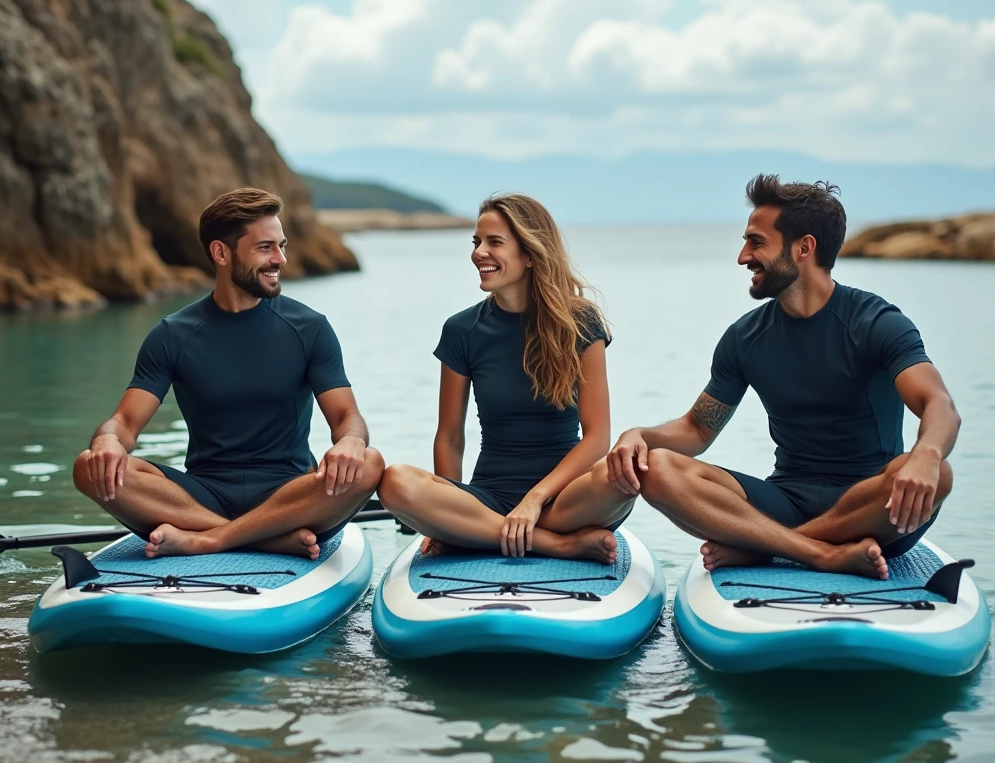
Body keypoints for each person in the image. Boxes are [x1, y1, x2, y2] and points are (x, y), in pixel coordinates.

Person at [605, 174, 961, 579]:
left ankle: (770, 549)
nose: (742, 257)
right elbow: (696, 430)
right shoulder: (745, 337)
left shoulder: (877, 322)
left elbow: (939, 405)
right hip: (785, 499)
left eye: (756, 242)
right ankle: (817, 552)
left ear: (804, 248)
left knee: (940, 475)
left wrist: (926, 457)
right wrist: (639, 436)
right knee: (658, 467)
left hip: (873, 506)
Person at [72, 187, 384, 559]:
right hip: (202, 495)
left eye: (281, 245)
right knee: (89, 466)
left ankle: (209, 539)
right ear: (221, 253)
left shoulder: (309, 328)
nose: (281, 259)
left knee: (369, 462)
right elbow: (124, 422)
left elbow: (347, 417)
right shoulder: (173, 334)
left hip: (291, 494)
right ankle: (260, 537)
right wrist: (108, 440)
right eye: (265, 247)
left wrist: (350, 441)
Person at [377, 194, 633, 564]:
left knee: (619, 477)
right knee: (394, 480)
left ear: (530, 254)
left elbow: (597, 438)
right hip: (490, 501)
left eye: (494, 242)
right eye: (476, 242)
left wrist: (534, 500)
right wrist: (446, 517)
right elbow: (449, 436)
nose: (479, 252)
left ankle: (498, 533)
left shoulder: (581, 323)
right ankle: (552, 544)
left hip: (565, 499)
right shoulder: (462, 330)